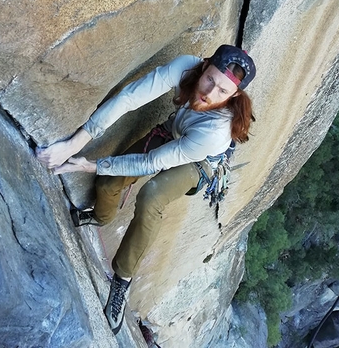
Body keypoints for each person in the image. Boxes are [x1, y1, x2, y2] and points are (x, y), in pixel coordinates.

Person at [36, 44, 256, 334]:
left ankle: (122, 281)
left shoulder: (216, 131)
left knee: (152, 195)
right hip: (177, 134)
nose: (209, 93)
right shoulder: (186, 67)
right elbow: (130, 98)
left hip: (199, 161)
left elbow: (152, 162)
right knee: (108, 184)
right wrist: (76, 143)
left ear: (235, 95)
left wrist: (92, 164)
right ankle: (100, 217)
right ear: (204, 67)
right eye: (210, 80)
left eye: (222, 92)